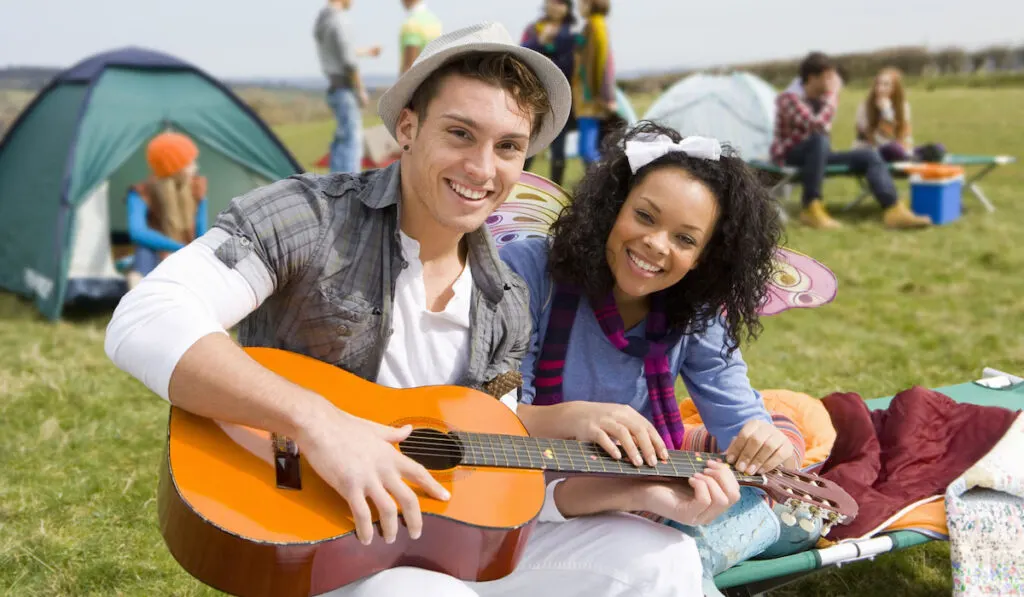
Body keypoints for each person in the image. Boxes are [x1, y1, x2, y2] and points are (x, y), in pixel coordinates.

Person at [105, 22, 729, 596]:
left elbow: (488, 479)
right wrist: (319, 426)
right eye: (461, 133)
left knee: (662, 558)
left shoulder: (506, 298)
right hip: (316, 542)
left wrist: (638, 485)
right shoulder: (310, 216)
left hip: (426, 542)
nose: (482, 169)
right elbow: (147, 315)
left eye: (508, 147)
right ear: (407, 128)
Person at [500, 121, 803, 592]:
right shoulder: (531, 272)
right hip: (522, 500)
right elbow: (487, 422)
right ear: (612, 207)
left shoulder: (695, 310)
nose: (656, 245)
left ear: (704, 256)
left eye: (685, 239)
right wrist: (575, 416)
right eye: (644, 216)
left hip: (634, 495)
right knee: (685, 555)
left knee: (753, 504)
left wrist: (766, 440)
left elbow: (741, 420)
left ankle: (777, 527)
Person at [769, 52, 931, 230]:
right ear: (812, 78)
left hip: (818, 153)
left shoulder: (820, 99)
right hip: (790, 154)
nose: (833, 82)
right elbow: (816, 126)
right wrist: (833, 95)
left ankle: (893, 209)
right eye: (828, 77)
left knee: (868, 155)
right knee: (819, 139)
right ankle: (811, 207)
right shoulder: (789, 98)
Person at [124, 131, 208, 290]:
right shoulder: (141, 193)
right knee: (143, 252)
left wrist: (188, 252)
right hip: (158, 252)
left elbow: (201, 233)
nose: (196, 167)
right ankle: (139, 303)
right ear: (174, 168)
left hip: (188, 253)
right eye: (189, 163)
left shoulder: (197, 188)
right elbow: (138, 233)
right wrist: (177, 248)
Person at [314, 0, 381, 173]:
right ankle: (349, 189)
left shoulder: (323, 20)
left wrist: (366, 52)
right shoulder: (340, 20)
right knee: (352, 142)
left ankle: (333, 185)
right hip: (345, 89)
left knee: (341, 141)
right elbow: (349, 62)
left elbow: (343, 50)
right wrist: (361, 90)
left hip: (334, 89)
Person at [521, 0, 578, 186]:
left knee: (558, 149)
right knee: (528, 144)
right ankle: (516, 182)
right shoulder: (534, 29)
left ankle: (556, 189)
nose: (556, 6)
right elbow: (521, 54)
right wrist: (541, 41)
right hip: (534, 97)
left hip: (562, 96)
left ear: (567, 7)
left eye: (561, 2)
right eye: (552, 2)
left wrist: (549, 48)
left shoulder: (573, 32)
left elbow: (571, 64)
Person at [854, 67, 946, 163]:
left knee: (939, 148)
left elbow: (906, 136)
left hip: (898, 150)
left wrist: (906, 150)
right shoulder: (864, 107)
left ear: (895, 88)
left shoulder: (903, 107)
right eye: (878, 84)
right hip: (869, 151)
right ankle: (915, 160)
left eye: (886, 85)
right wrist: (886, 113)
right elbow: (880, 141)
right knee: (893, 148)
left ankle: (912, 158)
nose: (880, 88)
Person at [573, 0, 617, 168]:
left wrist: (606, 96)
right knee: (591, 149)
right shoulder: (591, 25)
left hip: (591, 99)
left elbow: (604, 63)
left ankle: (601, 182)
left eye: (581, 3)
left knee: (587, 151)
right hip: (587, 98)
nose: (578, 7)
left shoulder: (596, 25)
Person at [399, 0, 443, 75]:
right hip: (433, 78)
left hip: (416, 82)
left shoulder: (411, 24)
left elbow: (409, 66)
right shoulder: (435, 21)